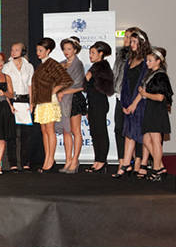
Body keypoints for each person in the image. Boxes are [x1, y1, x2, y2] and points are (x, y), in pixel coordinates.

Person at [30, 38, 72, 173]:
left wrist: (54, 90)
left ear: (48, 51)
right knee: (44, 131)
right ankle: (48, 159)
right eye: (37, 50)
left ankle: (49, 160)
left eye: (41, 50)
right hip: (41, 101)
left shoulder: (52, 63)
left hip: (49, 101)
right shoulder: (42, 64)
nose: (38, 53)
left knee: (49, 130)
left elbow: (66, 80)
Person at [115, 29, 150, 177]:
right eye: (131, 41)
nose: (131, 44)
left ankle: (151, 164)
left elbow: (143, 85)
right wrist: (125, 104)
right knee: (128, 133)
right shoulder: (129, 60)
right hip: (128, 101)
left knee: (142, 135)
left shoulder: (145, 61)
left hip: (140, 102)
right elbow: (125, 83)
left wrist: (134, 103)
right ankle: (125, 164)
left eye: (135, 42)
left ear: (142, 43)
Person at [135, 48, 173, 181]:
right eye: (147, 60)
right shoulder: (151, 74)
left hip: (157, 110)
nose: (147, 63)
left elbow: (161, 97)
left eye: (150, 60)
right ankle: (160, 167)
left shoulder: (161, 76)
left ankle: (156, 169)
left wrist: (145, 94)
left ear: (158, 61)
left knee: (156, 140)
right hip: (150, 108)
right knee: (146, 140)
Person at [112, 28, 143, 162]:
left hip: (134, 97)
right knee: (119, 128)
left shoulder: (139, 58)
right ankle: (122, 160)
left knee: (135, 130)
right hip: (120, 95)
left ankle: (139, 161)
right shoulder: (120, 54)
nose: (126, 40)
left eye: (129, 37)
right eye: (125, 37)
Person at [56, 37, 86, 174]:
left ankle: (75, 160)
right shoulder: (61, 64)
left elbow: (80, 86)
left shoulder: (78, 64)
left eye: (69, 49)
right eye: (64, 49)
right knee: (66, 131)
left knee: (75, 130)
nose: (66, 52)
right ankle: (68, 160)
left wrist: (64, 92)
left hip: (74, 99)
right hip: (62, 101)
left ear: (75, 50)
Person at [4, 42, 35, 172]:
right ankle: (13, 163)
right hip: (12, 100)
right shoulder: (7, 67)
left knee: (26, 134)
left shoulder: (29, 66)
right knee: (12, 134)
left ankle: (25, 162)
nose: (13, 52)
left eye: (16, 50)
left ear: (23, 51)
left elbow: (30, 85)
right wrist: (9, 103)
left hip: (25, 100)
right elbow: (5, 87)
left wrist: (32, 103)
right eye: (12, 49)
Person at [84, 41, 114, 173]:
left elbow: (107, 87)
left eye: (93, 53)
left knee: (100, 131)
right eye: (90, 53)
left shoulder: (102, 67)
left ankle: (102, 160)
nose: (90, 55)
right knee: (94, 132)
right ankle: (97, 159)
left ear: (101, 54)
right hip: (92, 102)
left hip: (99, 102)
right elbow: (85, 84)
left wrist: (90, 77)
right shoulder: (95, 67)